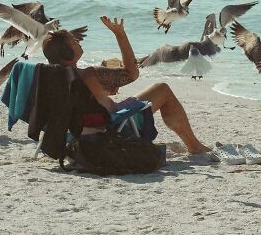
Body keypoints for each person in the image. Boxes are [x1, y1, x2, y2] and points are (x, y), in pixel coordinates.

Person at [42, 16, 210, 155]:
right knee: (162, 89)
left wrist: (101, 92)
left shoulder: (48, 77)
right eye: (73, 41)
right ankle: (194, 146)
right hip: (110, 128)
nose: (78, 41)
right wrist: (120, 34)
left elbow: (77, 101)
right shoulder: (88, 74)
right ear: (66, 53)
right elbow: (132, 73)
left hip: (69, 132)